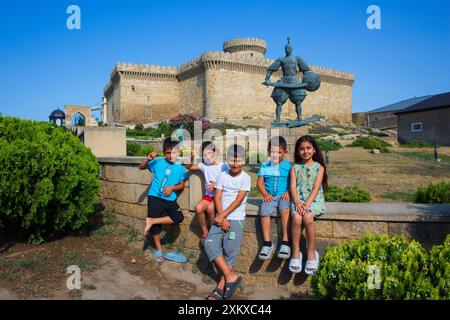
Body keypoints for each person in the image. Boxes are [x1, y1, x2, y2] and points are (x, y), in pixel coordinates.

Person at [204, 144, 251, 300]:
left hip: (235, 219)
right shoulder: (223, 175)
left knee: (229, 254)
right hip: (220, 217)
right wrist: (221, 217)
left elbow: (238, 201)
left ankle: (220, 287)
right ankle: (230, 276)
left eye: (238, 161)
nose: (235, 164)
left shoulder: (246, 178)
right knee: (209, 243)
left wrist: (223, 216)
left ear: (244, 161)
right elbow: (217, 196)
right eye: (232, 160)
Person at [138, 138, 188, 263]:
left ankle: (152, 220)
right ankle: (158, 249)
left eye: (174, 153)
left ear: (179, 152)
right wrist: (148, 159)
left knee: (178, 217)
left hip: (169, 199)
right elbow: (141, 167)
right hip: (154, 197)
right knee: (155, 227)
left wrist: (173, 187)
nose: (171, 156)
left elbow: (182, 185)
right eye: (168, 153)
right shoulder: (158, 162)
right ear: (164, 152)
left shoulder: (180, 168)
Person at [289, 135, 327, 274]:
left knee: (308, 218)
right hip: (299, 199)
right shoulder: (295, 167)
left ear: (314, 150)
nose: (305, 151)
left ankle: (311, 252)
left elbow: (316, 188)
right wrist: (298, 202)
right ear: (298, 152)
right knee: (297, 218)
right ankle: (296, 251)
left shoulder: (319, 167)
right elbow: (293, 186)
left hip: (314, 200)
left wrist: (307, 204)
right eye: (302, 149)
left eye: (308, 148)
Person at [184, 141, 229, 246]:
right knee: (198, 208)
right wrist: (191, 156)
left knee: (210, 209)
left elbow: (229, 181)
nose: (208, 157)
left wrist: (216, 184)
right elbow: (188, 167)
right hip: (209, 196)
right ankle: (205, 231)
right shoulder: (204, 166)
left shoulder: (223, 166)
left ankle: (214, 232)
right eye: (205, 155)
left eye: (210, 154)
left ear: (216, 153)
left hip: (219, 196)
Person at [257, 136, 292, 260]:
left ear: (285, 152)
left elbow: (294, 182)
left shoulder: (289, 166)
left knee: (285, 209)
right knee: (264, 211)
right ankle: (267, 243)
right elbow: (259, 183)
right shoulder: (265, 166)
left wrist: (289, 192)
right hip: (270, 196)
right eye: (272, 152)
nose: (276, 155)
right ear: (268, 151)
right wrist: (265, 194)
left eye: (279, 152)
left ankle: (285, 242)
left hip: (284, 196)